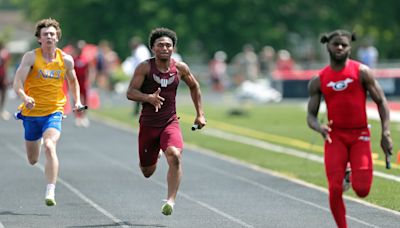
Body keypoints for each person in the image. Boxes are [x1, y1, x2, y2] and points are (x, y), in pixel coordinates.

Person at [307, 30, 392, 228]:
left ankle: (350, 173)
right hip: (334, 137)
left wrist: (385, 132)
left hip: (360, 135)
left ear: (350, 48)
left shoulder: (362, 72)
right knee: (335, 188)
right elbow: (310, 115)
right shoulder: (319, 80)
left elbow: (381, 102)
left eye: (343, 45)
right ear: (328, 46)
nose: (339, 48)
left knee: (362, 190)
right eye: (335, 44)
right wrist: (319, 128)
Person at [126, 27, 206, 216]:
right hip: (148, 125)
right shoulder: (145, 67)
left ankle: (170, 200)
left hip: (170, 122)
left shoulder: (180, 68)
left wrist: (200, 114)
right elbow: (130, 92)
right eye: (160, 45)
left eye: (168, 45)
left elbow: (194, 86)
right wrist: (148, 98)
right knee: (147, 171)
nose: (165, 48)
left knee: (175, 155)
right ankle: (156, 154)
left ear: (173, 48)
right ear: (153, 48)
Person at [13, 18, 84, 206]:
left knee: (50, 145)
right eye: (45, 34)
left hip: (54, 111)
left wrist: (76, 101)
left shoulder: (66, 60)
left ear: (57, 37)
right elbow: (17, 82)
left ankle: (50, 191)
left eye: (52, 34)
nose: (49, 37)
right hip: (31, 113)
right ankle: (36, 145)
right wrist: (24, 97)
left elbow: (73, 81)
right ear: (39, 39)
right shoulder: (30, 57)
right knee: (32, 159)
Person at [122, 36, 151, 116]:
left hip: (142, 74)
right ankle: (137, 111)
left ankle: (139, 111)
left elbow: (141, 63)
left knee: (138, 92)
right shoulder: (139, 50)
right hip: (141, 73)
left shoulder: (140, 51)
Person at [0, 41, 11, 120]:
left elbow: (6, 66)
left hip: (2, 76)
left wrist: (6, 77)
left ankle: (2, 111)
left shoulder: (4, 53)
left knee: (3, 94)